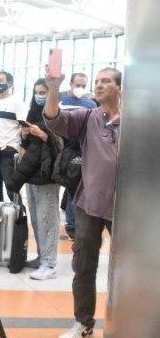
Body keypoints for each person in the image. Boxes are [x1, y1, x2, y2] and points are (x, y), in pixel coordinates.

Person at [45, 66, 121, 338]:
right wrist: (54, 88)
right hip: (89, 204)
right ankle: (84, 324)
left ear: (120, 88)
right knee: (84, 266)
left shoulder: (136, 121)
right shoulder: (88, 116)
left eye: (106, 81)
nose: (99, 85)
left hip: (125, 208)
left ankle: (128, 326)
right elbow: (54, 120)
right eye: (97, 81)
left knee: (130, 270)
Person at [6, 79, 62, 280]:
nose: (40, 96)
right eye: (37, 92)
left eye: (43, 92)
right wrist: (25, 134)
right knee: (37, 218)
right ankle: (42, 256)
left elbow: (62, 144)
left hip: (47, 175)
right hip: (31, 172)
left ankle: (49, 263)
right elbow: (27, 145)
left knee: (48, 219)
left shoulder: (58, 116)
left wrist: (42, 134)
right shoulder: (32, 114)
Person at [57, 71, 97, 240]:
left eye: (83, 85)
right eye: (77, 84)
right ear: (71, 84)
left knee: (74, 186)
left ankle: (72, 224)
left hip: (77, 151)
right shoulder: (59, 98)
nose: (80, 88)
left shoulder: (90, 104)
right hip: (57, 149)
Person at [0, 70, 25, 204]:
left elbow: (23, 126)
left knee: (11, 188)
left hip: (9, 150)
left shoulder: (16, 102)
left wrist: (20, 148)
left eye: (0, 80)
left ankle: (18, 216)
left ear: (9, 83)